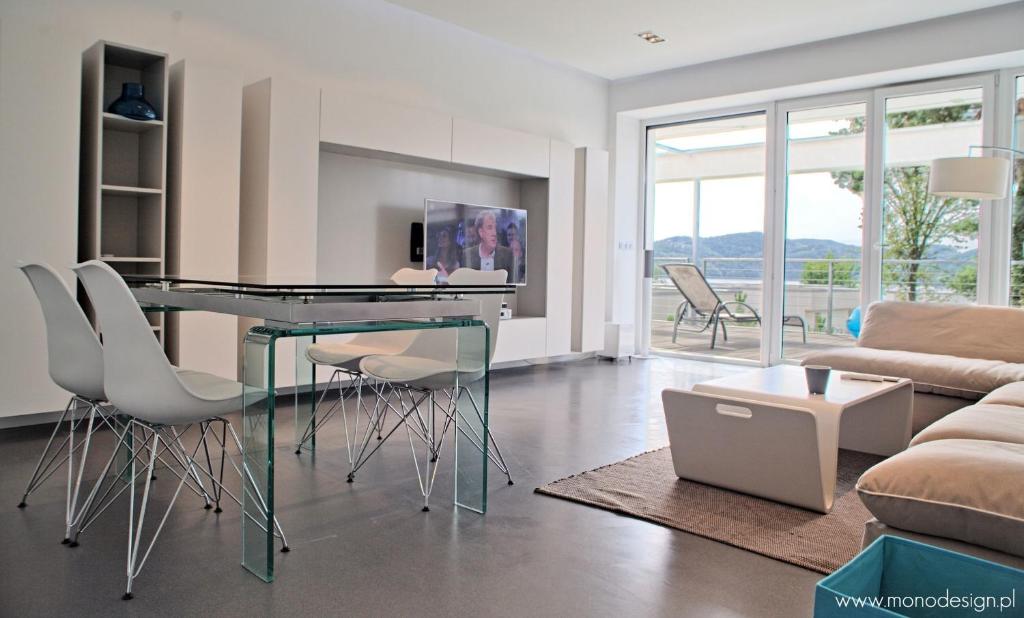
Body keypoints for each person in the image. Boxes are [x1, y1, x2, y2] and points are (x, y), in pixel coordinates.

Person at [463, 209, 514, 274]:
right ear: (481, 232)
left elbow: (510, 283)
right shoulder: (467, 255)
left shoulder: (507, 254)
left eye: (495, 228)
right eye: (490, 228)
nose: (494, 233)